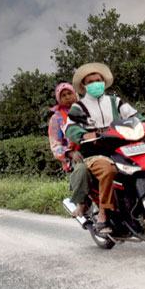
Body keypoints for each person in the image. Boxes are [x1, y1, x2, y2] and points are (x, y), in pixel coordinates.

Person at [64, 62, 145, 234]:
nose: (96, 83)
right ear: (84, 86)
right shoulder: (79, 107)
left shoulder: (116, 102)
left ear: (104, 82)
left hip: (122, 147)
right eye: (91, 81)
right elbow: (70, 128)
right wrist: (83, 135)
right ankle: (103, 214)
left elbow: (134, 116)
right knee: (107, 169)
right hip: (94, 152)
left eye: (98, 80)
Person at [47, 82, 91, 217]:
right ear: (59, 99)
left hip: (97, 146)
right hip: (76, 154)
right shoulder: (57, 118)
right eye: (63, 95)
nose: (67, 97)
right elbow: (55, 145)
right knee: (82, 169)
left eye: (69, 93)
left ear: (75, 93)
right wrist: (70, 153)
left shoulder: (88, 109)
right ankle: (81, 203)